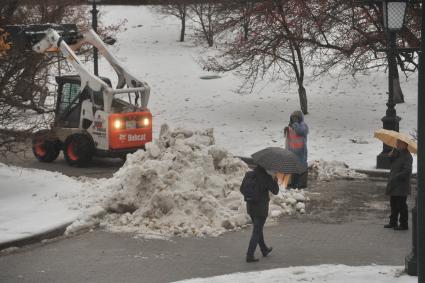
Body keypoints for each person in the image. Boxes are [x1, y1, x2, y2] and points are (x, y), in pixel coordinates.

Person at [244, 165, 279, 262]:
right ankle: (249, 255)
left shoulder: (249, 174)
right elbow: (275, 191)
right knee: (257, 231)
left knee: (257, 229)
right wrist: (275, 180)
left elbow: (242, 189)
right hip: (261, 209)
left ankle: (264, 250)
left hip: (250, 207)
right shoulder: (266, 177)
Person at [384, 139, 413, 231]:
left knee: (401, 205)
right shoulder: (397, 153)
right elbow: (392, 165)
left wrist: (396, 176)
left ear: (405, 145)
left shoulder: (408, 156)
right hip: (394, 184)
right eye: (397, 143)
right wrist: (391, 156)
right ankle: (393, 222)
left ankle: (404, 224)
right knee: (393, 204)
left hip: (401, 185)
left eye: (399, 143)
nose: (397, 144)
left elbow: (407, 170)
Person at [284, 110, 309, 188]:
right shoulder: (290, 126)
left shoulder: (303, 126)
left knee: (302, 168)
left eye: (296, 118)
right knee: (293, 168)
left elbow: (300, 131)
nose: (294, 119)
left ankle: (302, 184)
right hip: (291, 150)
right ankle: (294, 183)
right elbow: (288, 139)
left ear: (300, 118)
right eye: (293, 118)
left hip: (301, 151)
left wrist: (295, 124)